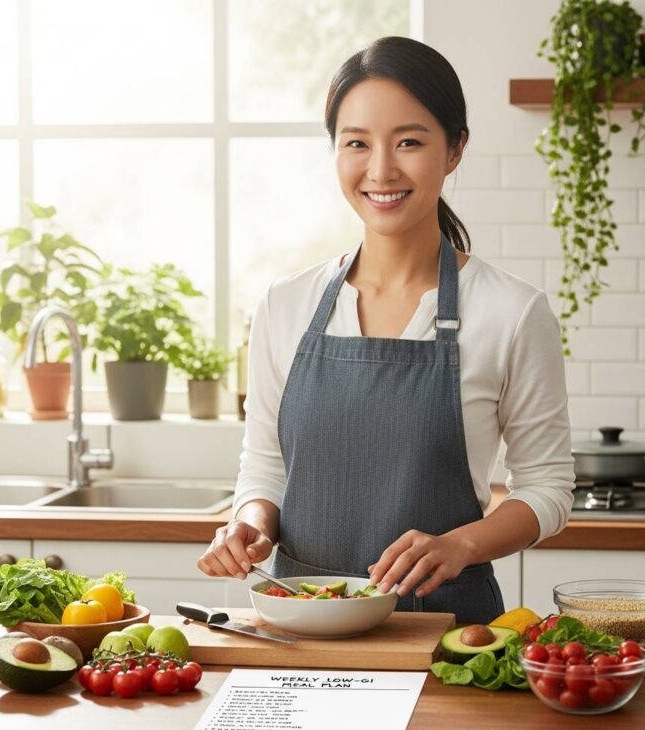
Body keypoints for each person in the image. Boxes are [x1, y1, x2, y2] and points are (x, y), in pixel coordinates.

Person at [197, 36, 574, 623]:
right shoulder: (285, 304)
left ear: (455, 149)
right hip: (300, 631)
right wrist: (249, 524)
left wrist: (461, 545)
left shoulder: (512, 312)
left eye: (409, 142)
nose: (381, 170)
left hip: (446, 632)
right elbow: (266, 467)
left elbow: (546, 488)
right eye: (357, 143)